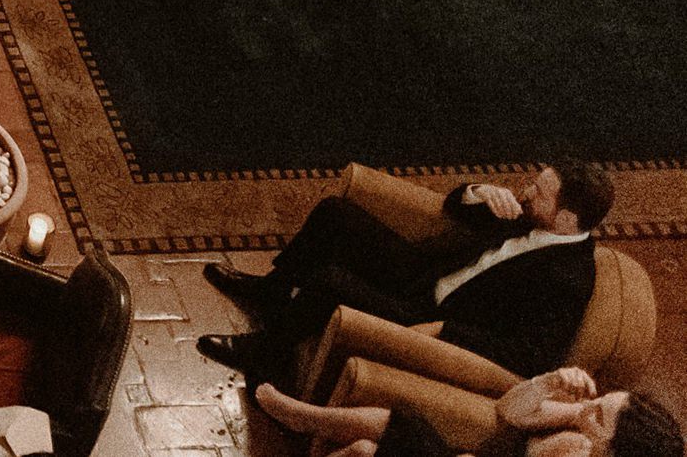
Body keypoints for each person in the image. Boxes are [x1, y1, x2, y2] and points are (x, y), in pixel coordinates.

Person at [195, 162, 616, 379]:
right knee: (335, 214)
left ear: (567, 220)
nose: (525, 192)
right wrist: (478, 193)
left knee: (330, 282)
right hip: (422, 272)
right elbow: (454, 206)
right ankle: (273, 290)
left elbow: (534, 356)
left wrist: (446, 332)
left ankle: (269, 355)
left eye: (539, 193)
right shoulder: (529, 214)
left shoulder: (569, 280)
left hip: (430, 317)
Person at [251, 367, 680, 457]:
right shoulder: (583, 428)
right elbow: (511, 411)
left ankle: (301, 421)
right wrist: (549, 382)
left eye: (599, 417)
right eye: (601, 400)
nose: (589, 410)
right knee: (399, 427)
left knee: (365, 452)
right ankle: (301, 417)